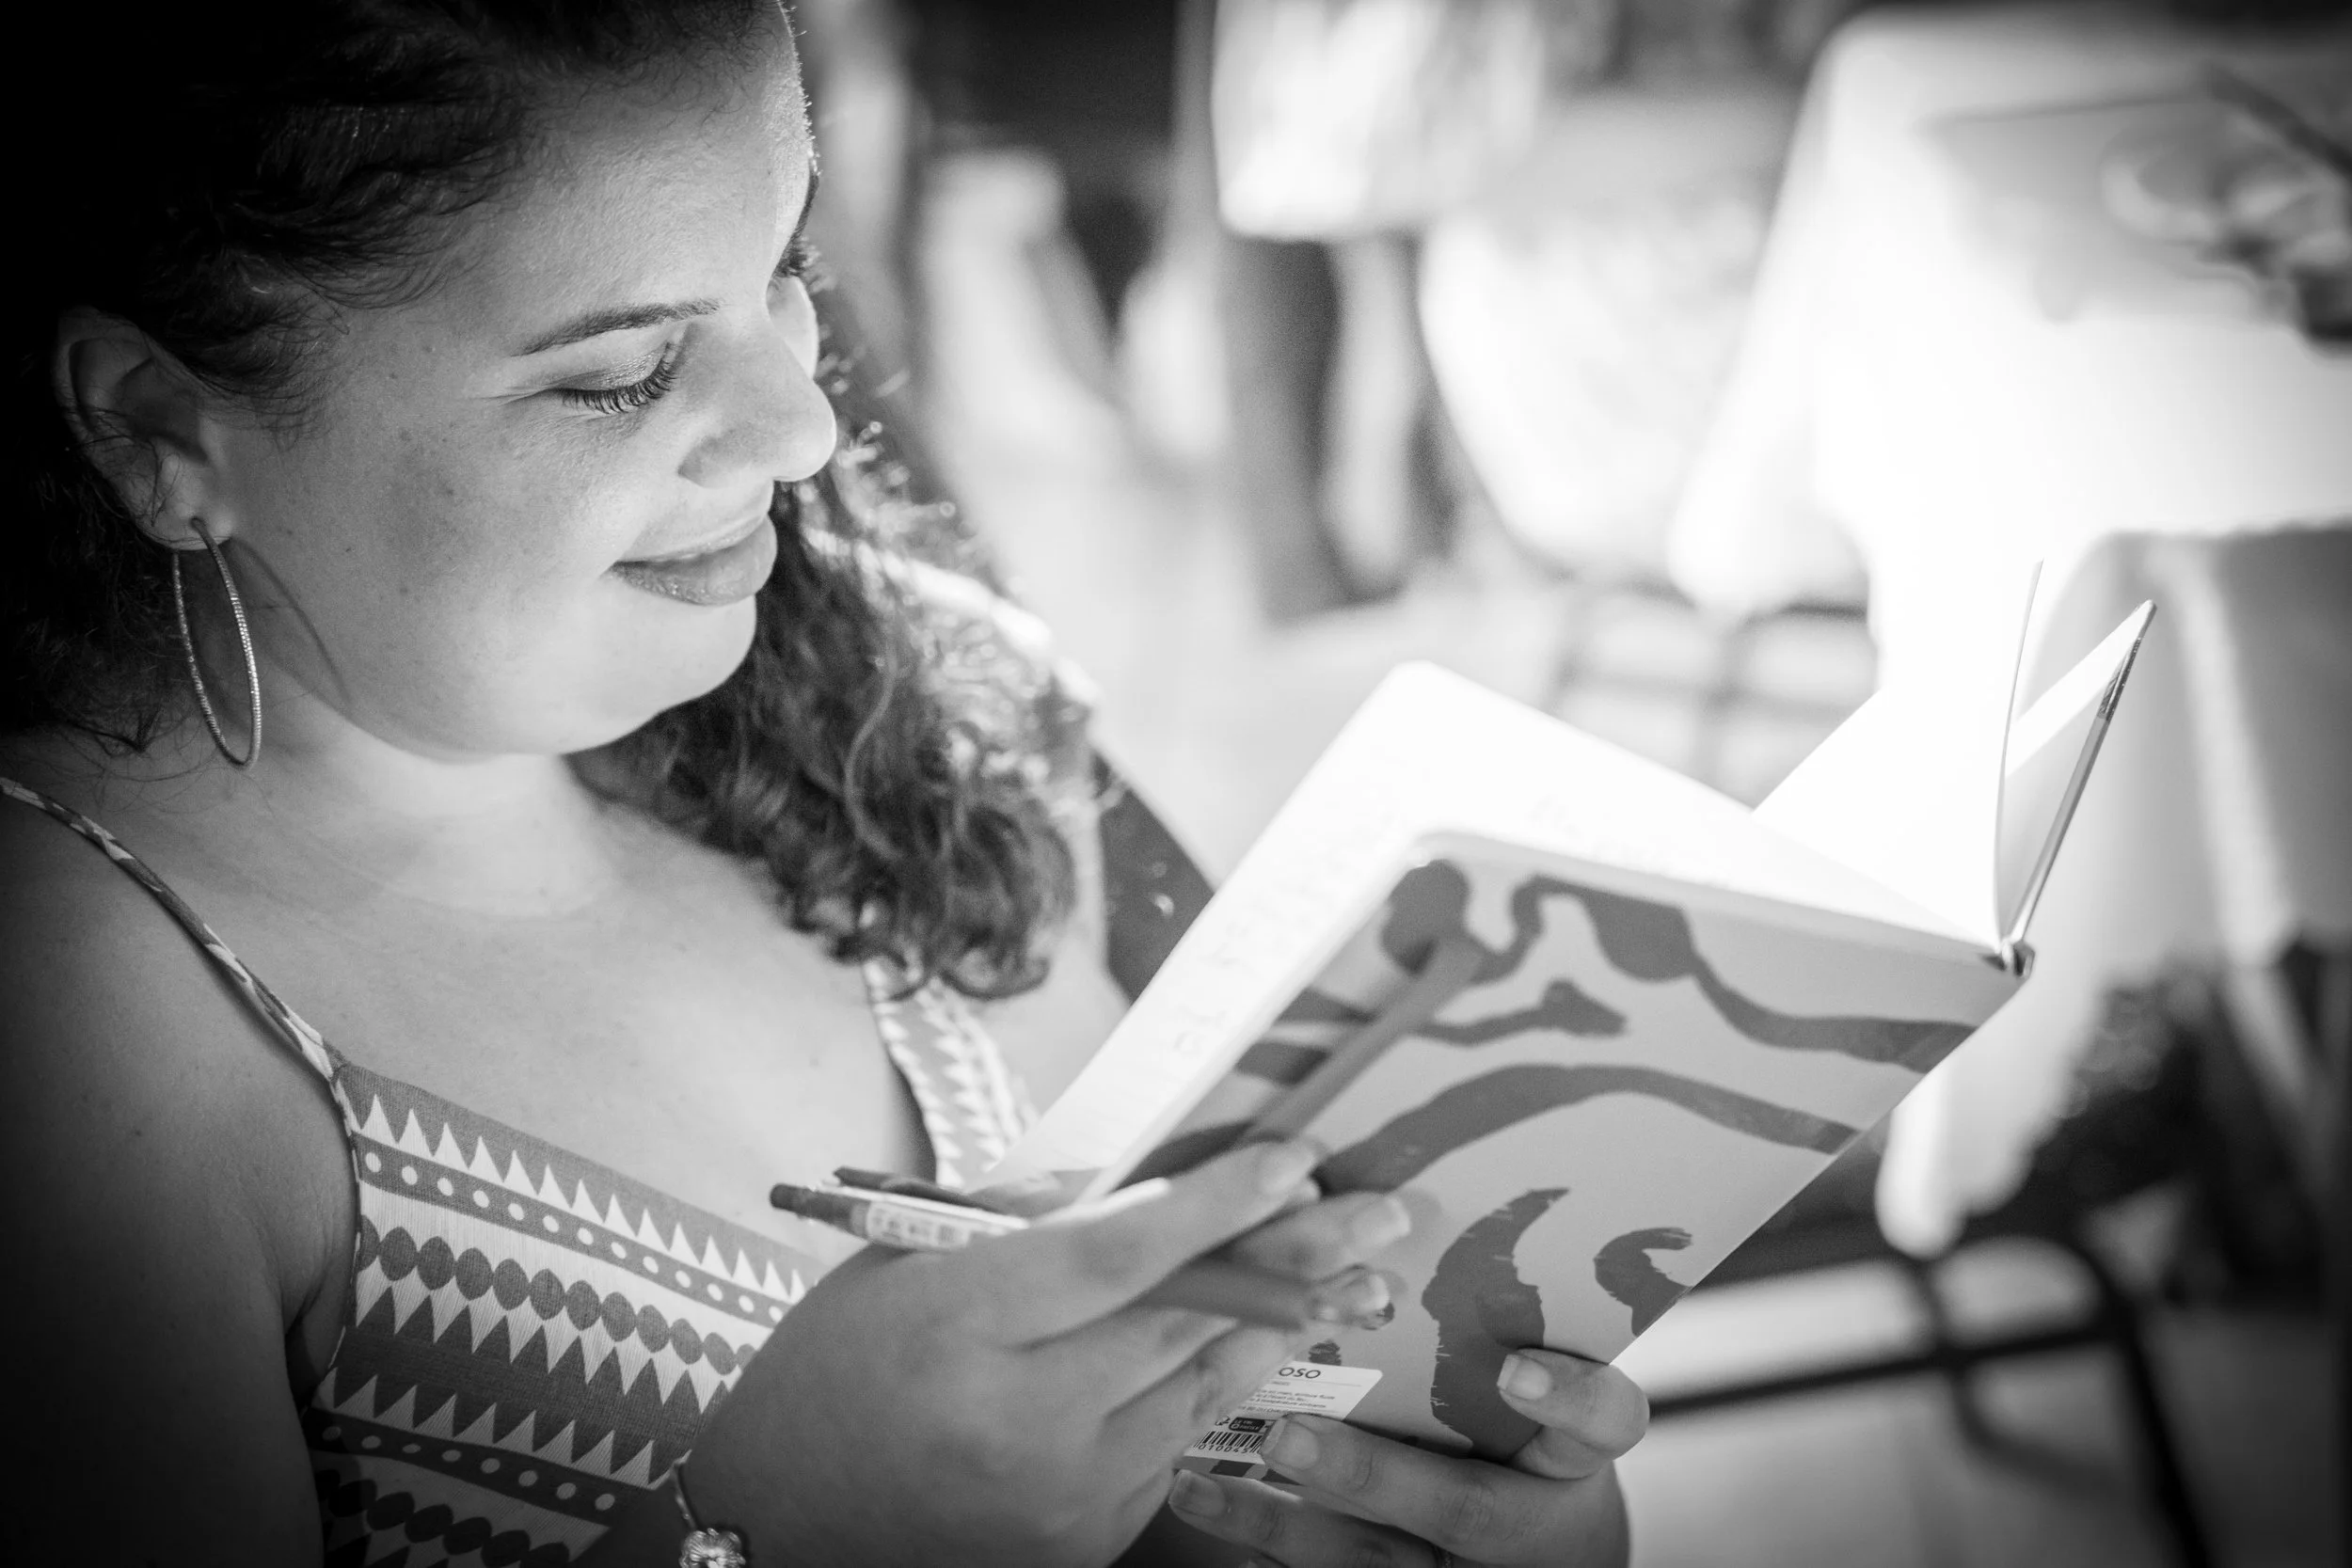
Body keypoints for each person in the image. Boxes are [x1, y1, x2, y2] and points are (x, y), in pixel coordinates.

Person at [0, 3, 1647, 1564]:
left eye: (782, 270)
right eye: (619, 374)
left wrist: (1435, 1513)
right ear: (157, 425)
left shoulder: (945, 694)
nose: (801, 428)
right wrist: (763, 1523)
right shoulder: (81, 1032)